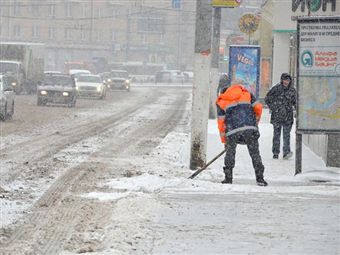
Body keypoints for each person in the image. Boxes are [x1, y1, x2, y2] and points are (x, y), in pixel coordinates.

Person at [216, 82, 267, 186]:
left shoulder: (221, 101)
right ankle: (260, 178)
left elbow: (221, 122)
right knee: (255, 153)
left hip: (232, 130)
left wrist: (225, 140)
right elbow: (259, 108)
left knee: (230, 153)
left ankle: (228, 178)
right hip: (249, 128)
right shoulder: (247, 94)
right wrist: (254, 123)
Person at [265, 73, 296, 160]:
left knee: (287, 136)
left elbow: (296, 102)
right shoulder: (276, 89)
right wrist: (273, 107)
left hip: (288, 116)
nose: (286, 82)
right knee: (276, 135)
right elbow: (267, 98)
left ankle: (286, 152)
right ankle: (275, 153)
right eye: (285, 80)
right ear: (282, 80)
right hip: (277, 116)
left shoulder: (292, 91)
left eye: (288, 80)